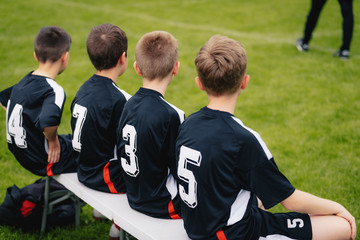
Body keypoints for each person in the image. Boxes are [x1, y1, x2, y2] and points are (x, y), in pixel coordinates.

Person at [176, 35, 356, 240]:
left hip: (198, 226)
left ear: (199, 83)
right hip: (234, 233)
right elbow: (291, 201)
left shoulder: (188, 124)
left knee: (260, 196)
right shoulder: (242, 139)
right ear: (244, 82)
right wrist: (339, 208)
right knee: (341, 226)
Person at [70, 23, 130, 240]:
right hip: (102, 176)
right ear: (122, 58)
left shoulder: (84, 88)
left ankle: (98, 210)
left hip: (82, 167)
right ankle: (118, 226)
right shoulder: (119, 99)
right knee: (143, 169)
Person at [117, 31, 184, 219]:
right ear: (176, 68)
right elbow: (181, 169)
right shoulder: (172, 115)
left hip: (134, 194)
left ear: (137, 68)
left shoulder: (127, 104)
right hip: (162, 203)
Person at [0, 26, 76, 177]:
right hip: (43, 158)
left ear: (35, 55)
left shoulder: (24, 82)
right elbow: (47, 121)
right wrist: (53, 142)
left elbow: (3, 99)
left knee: (72, 140)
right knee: (92, 150)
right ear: (65, 57)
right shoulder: (54, 90)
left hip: (21, 151)